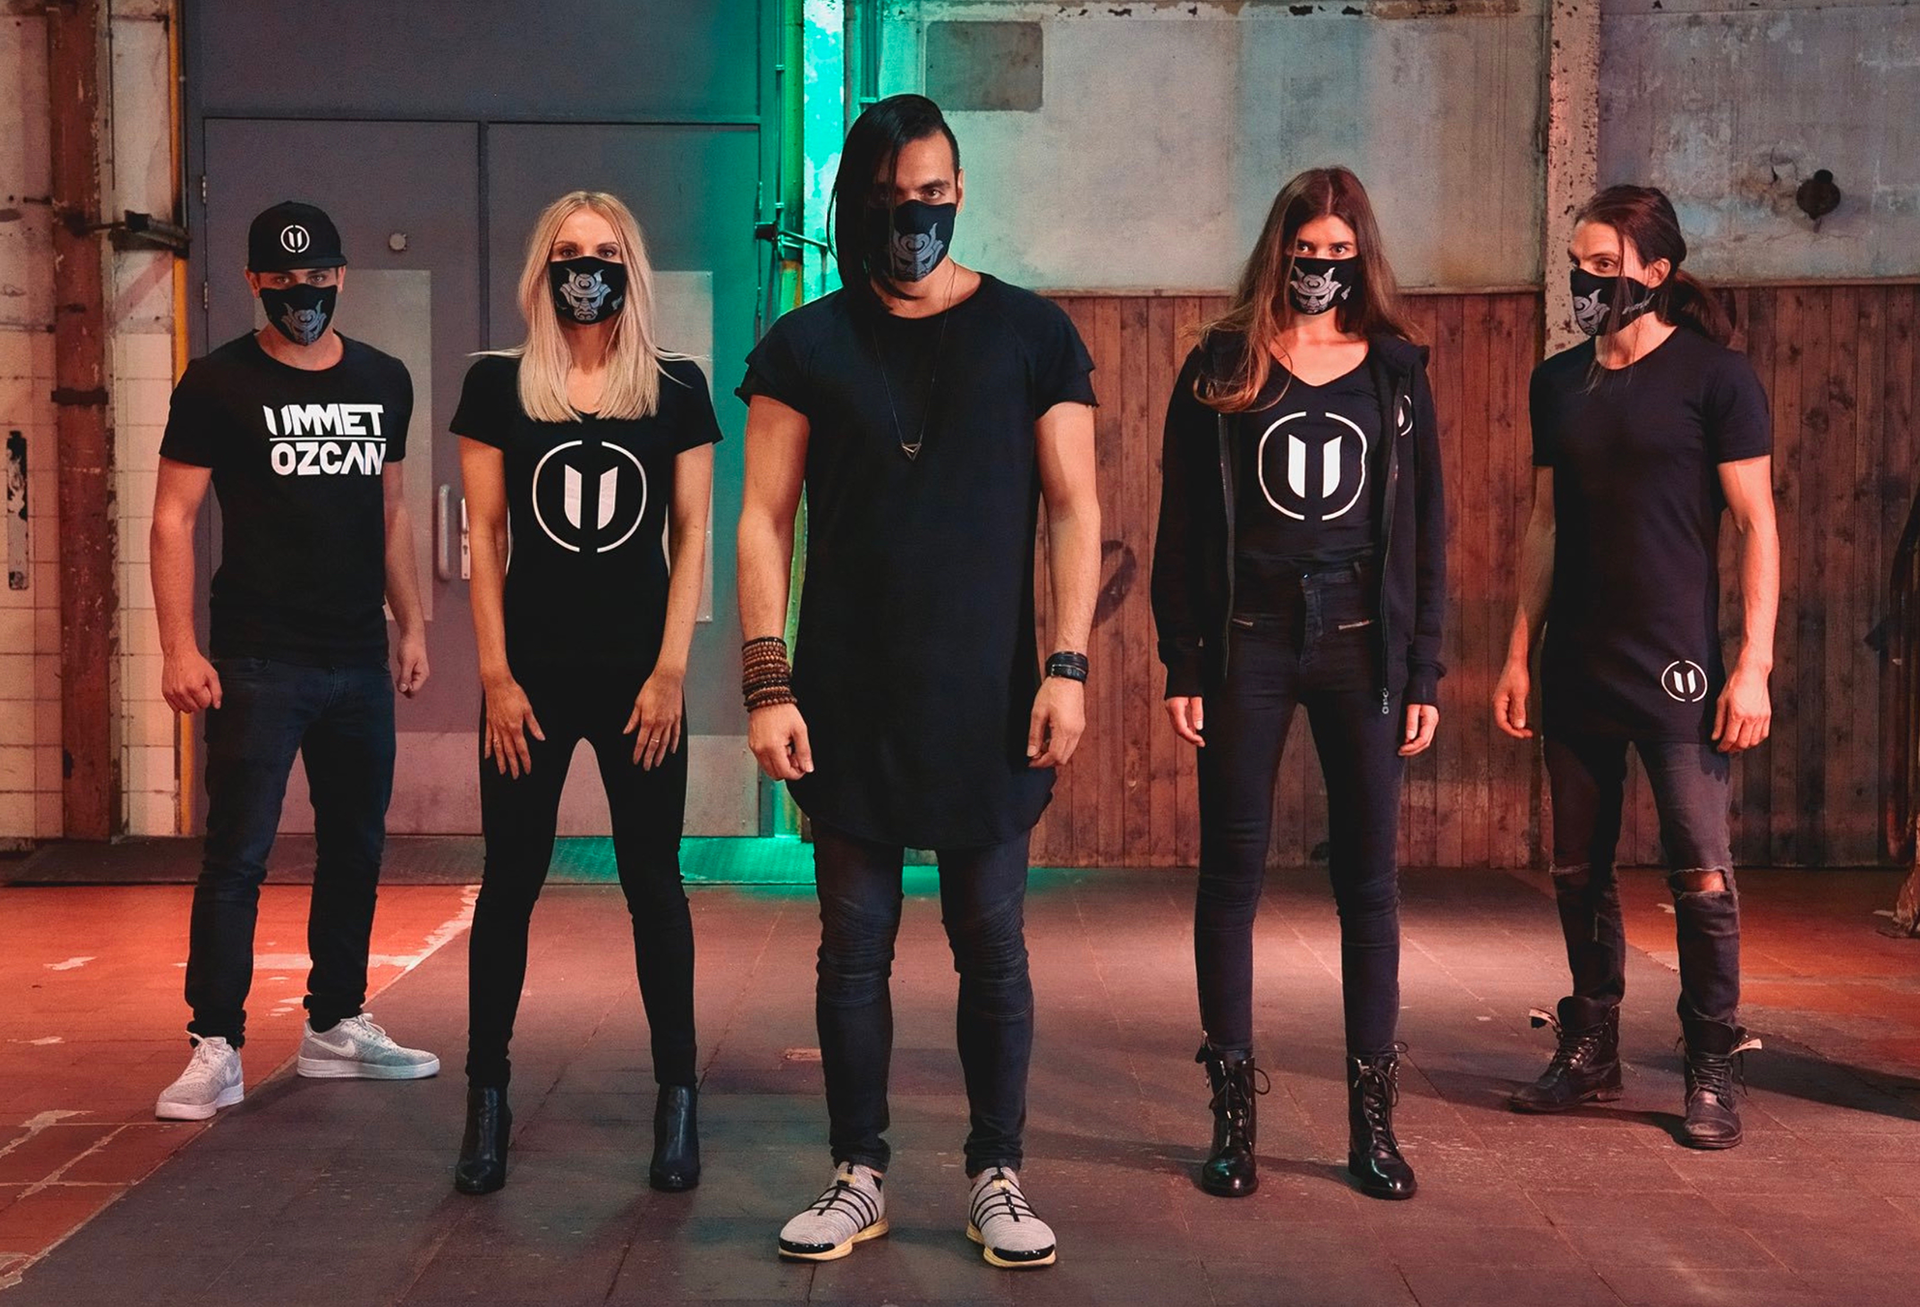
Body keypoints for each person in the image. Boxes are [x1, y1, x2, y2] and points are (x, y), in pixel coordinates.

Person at [735, 94, 1099, 1268]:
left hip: (989, 698)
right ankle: (859, 1172)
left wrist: (1068, 664)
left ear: (961, 191)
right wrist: (766, 680)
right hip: (847, 697)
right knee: (853, 947)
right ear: (860, 203)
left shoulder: (1033, 334)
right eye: (894, 200)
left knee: (993, 945)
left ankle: (998, 1173)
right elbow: (762, 519)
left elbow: (1076, 506)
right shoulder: (806, 344)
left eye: (934, 195)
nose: (916, 218)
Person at [1152, 167, 1446, 1202]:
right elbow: (1182, 521)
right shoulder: (1221, 365)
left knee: (1370, 883)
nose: (1321, 269)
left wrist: (1424, 665)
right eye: (1305, 251)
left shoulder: (1397, 374)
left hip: (1364, 645)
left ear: (1363, 258)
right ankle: (1233, 1118)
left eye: (1339, 253)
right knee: (1231, 874)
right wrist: (1183, 657)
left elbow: (1425, 531)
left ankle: (1374, 1122)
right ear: (1278, 251)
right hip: (1249, 643)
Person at [1494, 184, 1778, 1149]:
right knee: (1577, 868)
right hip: (1577, 658)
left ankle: (1711, 1062)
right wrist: (1518, 651)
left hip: (1678, 668)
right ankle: (1591, 1047)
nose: (1587, 281)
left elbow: (1758, 525)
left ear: (1658, 272)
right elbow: (1544, 523)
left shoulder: (1716, 378)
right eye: (1580, 263)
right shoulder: (1557, 382)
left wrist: (1754, 664)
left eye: (1607, 266)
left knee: (1701, 875)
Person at [449, 191, 720, 1196]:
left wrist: (671, 670)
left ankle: (678, 1096)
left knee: (655, 883)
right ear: (543, 269)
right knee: (510, 881)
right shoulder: (496, 385)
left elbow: (691, 533)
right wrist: (493, 673)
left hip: (640, 682)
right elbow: (484, 535)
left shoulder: (677, 387)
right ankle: (486, 1097)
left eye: (604, 252)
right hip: (529, 682)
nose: (586, 269)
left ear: (629, 269)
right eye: (569, 252)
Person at [151, 200, 437, 1121]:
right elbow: (172, 518)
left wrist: (412, 624)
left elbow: (391, 510)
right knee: (237, 855)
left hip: (356, 657)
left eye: (316, 279)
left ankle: (335, 1022)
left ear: (341, 277)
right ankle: (216, 1042)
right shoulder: (216, 383)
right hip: (257, 659)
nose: (301, 294)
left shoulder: (384, 379)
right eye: (281, 280)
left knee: (356, 846)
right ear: (253, 282)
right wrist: (179, 645)